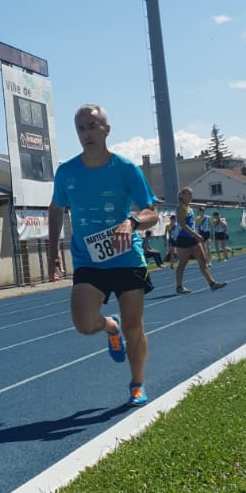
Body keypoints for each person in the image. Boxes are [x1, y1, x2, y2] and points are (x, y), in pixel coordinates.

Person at [48, 105, 159, 407]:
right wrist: (53, 251)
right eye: (81, 128)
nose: (86, 133)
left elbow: (152, 213)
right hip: (88, 260)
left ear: (106, 130)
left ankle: (137, 383)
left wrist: (131, 222)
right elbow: (56, 208)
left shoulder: (125, 168)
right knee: (84, 324)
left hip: (126, 258)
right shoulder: (67, 172)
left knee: (134, 326)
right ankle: (111, 326)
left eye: (92, 126)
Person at [172, 187, 225, 295]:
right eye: (189, 194)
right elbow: (183, 225)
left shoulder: (190, 208)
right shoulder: (180, 209)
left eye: (192, 194)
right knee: (183, 263)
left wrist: (195, 235)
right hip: (183, 239)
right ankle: (179, 286)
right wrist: (196, 234)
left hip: (192, 238)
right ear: (182, 195)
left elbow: (192, 224)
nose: (191, 196)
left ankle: (212, 283)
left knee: (202, 259)